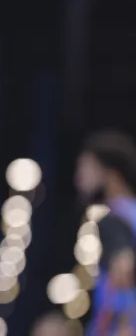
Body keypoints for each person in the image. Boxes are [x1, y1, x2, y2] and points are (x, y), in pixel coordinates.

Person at [75, 130, 136, 336]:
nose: (78, 179)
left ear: (111, 174)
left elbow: (123, 269)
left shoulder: (113, 219)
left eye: (86, 168)